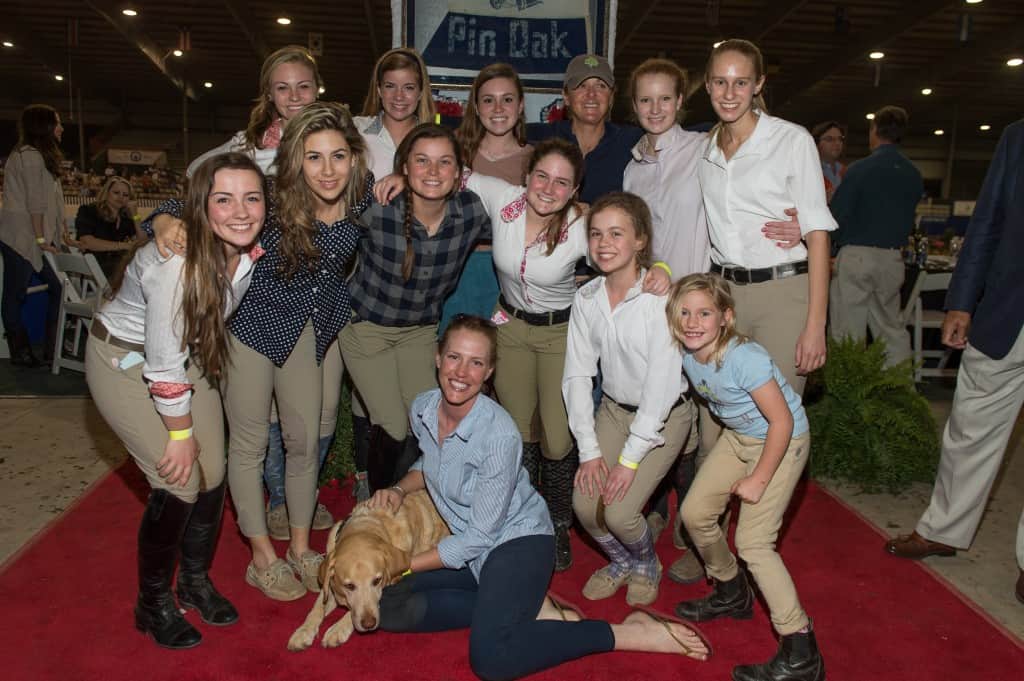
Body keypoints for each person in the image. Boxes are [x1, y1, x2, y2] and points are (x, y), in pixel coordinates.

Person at [367, 314, 710, 681]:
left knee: (491, 660)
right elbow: (432, 461)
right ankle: (523, 608)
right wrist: (400, 488)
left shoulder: (499, 435)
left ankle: (628, 632)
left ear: (489, 372)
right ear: (438, 357)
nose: (462, 372)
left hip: (517, 543)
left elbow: (480, 538)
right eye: (454, 357)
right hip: (473, 551)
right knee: (384, 601)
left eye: (476, 362)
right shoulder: (423, 407)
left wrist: (404, 561)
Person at [145, 103, 374, 601]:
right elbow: (183, 198)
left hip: (310, 330)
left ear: (355, 158)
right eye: (314, 157)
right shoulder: (268, 196)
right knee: (248, 446)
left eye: (338, 156)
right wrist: (164, 224)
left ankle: (297, 546)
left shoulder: (365, 199)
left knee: (305, 441)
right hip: (249, 328)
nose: (328, 169)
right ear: (294, 159)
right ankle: (261, 556)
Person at [622, 58, 806, 584]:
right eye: (645, 99)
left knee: (711, 432)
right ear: (633, 106)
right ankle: (668, 512)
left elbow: (758, 181)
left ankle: (700, 536)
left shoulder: (707, 146)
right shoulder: (633, 166)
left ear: (682, 102)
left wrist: (800, 221)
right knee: (670, 417)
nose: (655, 108)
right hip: (654, 309)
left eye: (666, 98)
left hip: (700, 311)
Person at [148, 45, 337, 537]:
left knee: (317, 423)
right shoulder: (252, 147)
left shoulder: (342, 138)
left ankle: (298, 497)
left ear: (318, 87)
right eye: (282, 87)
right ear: (268, 95)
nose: (294, 97)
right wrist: (167, 218)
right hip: (258, 303)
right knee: (261, 426)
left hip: (324, 308)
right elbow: (193, 187)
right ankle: (276, 505)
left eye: (303, 86)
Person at [85, 152, 267, 649]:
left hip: (180, 355)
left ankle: (193, 581)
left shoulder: (246, 252)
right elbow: (161, 365)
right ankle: (153, 602)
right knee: (181, 483)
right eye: (223, 199)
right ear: (199, 208)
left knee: (215, 473)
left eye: (252, 198)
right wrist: (180, 433)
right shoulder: (178, 265)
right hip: (125, 361)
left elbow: (188, 338)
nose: (241, 211)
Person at [884, 119, 1024, 605]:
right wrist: (961, 301)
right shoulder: (1018, 136)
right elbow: (988, 221)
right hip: (1006, 308)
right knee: (968, 425)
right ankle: (943, 529)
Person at [668, 273, 825, 681]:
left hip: (782, 440)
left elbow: (782, 421)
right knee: (695, 513)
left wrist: (758, 478)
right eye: (683, 312)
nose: (692, 321)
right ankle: (731, 590)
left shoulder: (744, 357)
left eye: (704, 312)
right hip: (741, 438)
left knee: (754, 544)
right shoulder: (689, 353)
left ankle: (801, 647)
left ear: (726, 318)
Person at [340, 123, 491, 497]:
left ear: (459, 173)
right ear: (404, 167)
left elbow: (526, 214)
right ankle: (377, 502)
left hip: (420, 331)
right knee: (391, 421)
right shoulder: (378, 207)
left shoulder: (470, 211)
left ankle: (404, 495)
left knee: (423, 420)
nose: (433, 172)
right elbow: (320, 210)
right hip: (366, 328)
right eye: (421, 161)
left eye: (444, 163)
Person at [564, 192, 692, 606]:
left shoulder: (661, 299)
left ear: (640, 241)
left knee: (619, 512)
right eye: (596, 233)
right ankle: (624, 561)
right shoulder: (585, 300)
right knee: (584, 507)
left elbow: (660, 387)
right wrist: (588, 450)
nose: (604, 243)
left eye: (617, 234)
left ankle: (646, 564)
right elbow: (578, 375)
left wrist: (628, 460)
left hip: (664, 416)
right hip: (614, 412)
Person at [698, 39, 836, 398]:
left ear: (758, 84)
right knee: (716, 422)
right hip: (723, 296)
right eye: (720, 82)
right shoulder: (705, 150)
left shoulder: (792, 140)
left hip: (783, 295)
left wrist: (815, 326)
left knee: (777, 423)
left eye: (741, 82)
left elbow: (819, 235)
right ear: (708, 84)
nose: (729, 93)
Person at [349, 47, 436, 501]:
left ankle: (404, 488)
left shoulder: (434, 137)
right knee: (369, 402)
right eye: (390, 87)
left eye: (408, 86)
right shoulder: (358, 135)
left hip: (418, 291)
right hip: (370, 278)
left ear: (421, 90)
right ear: (377, 90)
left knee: (413, 406)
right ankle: (369, 482)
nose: (399, 96)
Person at [439, 63, 534, 334]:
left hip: (509, 275)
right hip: (455, 271)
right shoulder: (451, 152)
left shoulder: (537, 162)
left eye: (507, 99)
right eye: (488, 100)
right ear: (476, 107)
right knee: (453, 361)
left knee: (501, 364)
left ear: (521, 105)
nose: (498, 109)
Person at [829, 106, 923, 366]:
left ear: (874, 131)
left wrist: (832, 249)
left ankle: (846, 396)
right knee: (890, 328)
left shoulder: (860, 170)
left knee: (847, 331)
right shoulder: (913, 173)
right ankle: (899, 390)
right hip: (893, 258)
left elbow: (837, 215)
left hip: (857, 255)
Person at [528, 54, 643, 203]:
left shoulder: (631, 140)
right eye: (582, 86)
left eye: (601, 86)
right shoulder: (538, 138)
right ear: (566, 96)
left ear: (611, 97)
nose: (591, 94)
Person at [0, 104, 65, 368]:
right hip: (22, 237)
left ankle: (50, 350)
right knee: (16, 294)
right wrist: (41, 241)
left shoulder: (32, 154)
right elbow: (35, 203)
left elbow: (50, 203)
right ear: (45, 126)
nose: (61, 128)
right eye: (57, 122)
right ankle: (23, 351)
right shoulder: (30, 155)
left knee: (53, 290)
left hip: (29, 235)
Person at [75, 175, 146, 277]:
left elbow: (142, 242)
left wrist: (135, 214)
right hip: (93, 269)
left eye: (125, 195)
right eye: (116, 193)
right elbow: (87, 242)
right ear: (106, 193)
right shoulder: (88, 211)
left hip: (118, 268)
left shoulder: (125, 219)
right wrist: (124, 245)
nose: (121, 197)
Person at [811, 121, 846, 202]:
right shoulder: (809, 172)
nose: (837, 143)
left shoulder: (846, 171)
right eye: (829, 139)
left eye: (840, 139)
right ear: (816, 143)